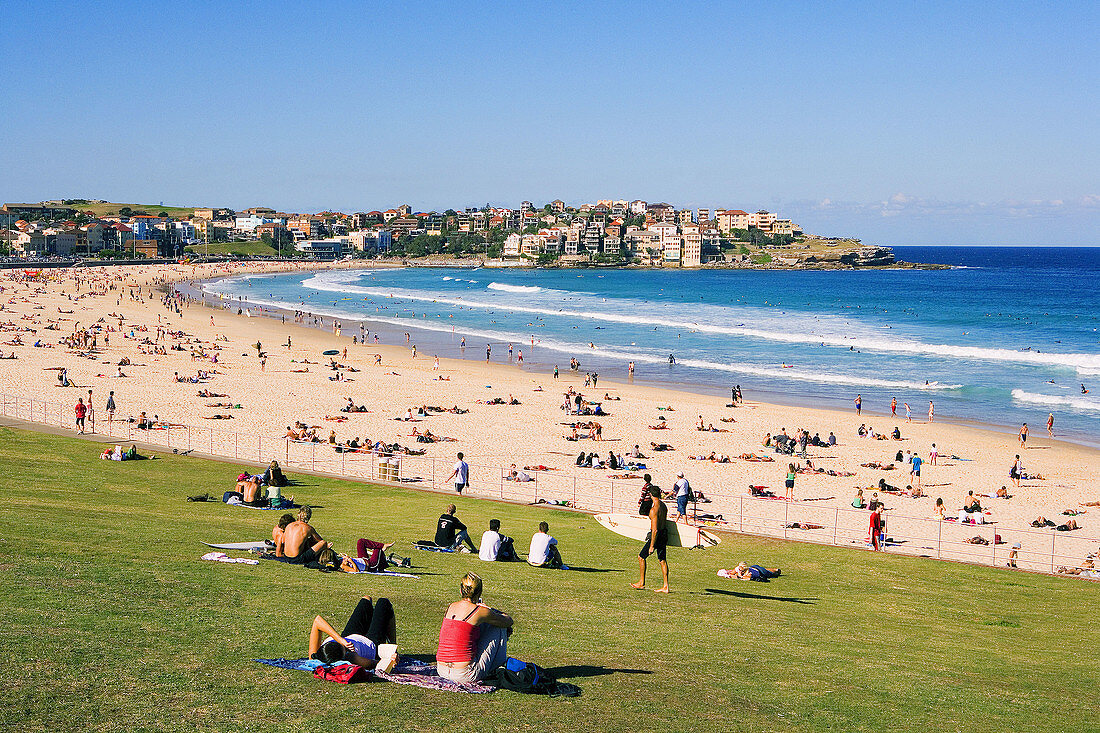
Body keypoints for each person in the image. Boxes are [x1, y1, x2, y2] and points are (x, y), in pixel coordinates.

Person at [436, 573, 513, 683]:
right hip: (465, 674)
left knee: (477, 626)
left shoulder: (451, 606)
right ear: (479, 592)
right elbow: (508, 621)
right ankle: (498, 665)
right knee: (499, 627)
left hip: (442, 670)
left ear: (461, 590)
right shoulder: (480, 611)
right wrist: (490, 610)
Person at [309, 595, 396, 669]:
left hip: (350, 636)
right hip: (371, 643)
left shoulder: (316, 656)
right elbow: (376, 664)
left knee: (366, 599)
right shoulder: (352, 657)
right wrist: (392, 656)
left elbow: (317, 621)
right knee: (383, 603)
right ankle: (394, 645)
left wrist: (341, 640)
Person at [632, 485, 669, 593]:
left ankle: (641, 583)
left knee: (641, 557)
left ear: (651, 494)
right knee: (662, 560)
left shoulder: (654, 510)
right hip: (664, 534)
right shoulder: (663, 506)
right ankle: (666, 586)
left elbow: (655, 530)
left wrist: (652, 545)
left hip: (656, 536)